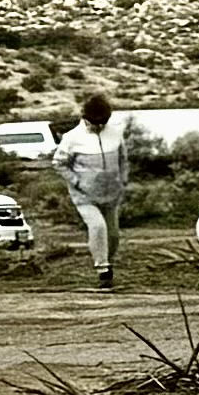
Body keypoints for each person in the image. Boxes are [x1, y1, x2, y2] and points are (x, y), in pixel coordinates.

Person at [51, 90, 141, 287]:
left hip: (112, 193)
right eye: (95, 123)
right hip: (84, 195)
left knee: (114, 235)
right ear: (85, 118)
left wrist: (123, 179)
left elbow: (123, 158)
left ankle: (108, 261)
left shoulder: (115, 132)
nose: (99, 126)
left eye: (102, 123)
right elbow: (59, 163)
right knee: (98, 227)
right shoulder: (71, 137)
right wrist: (76, 181)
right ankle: (103, 269)